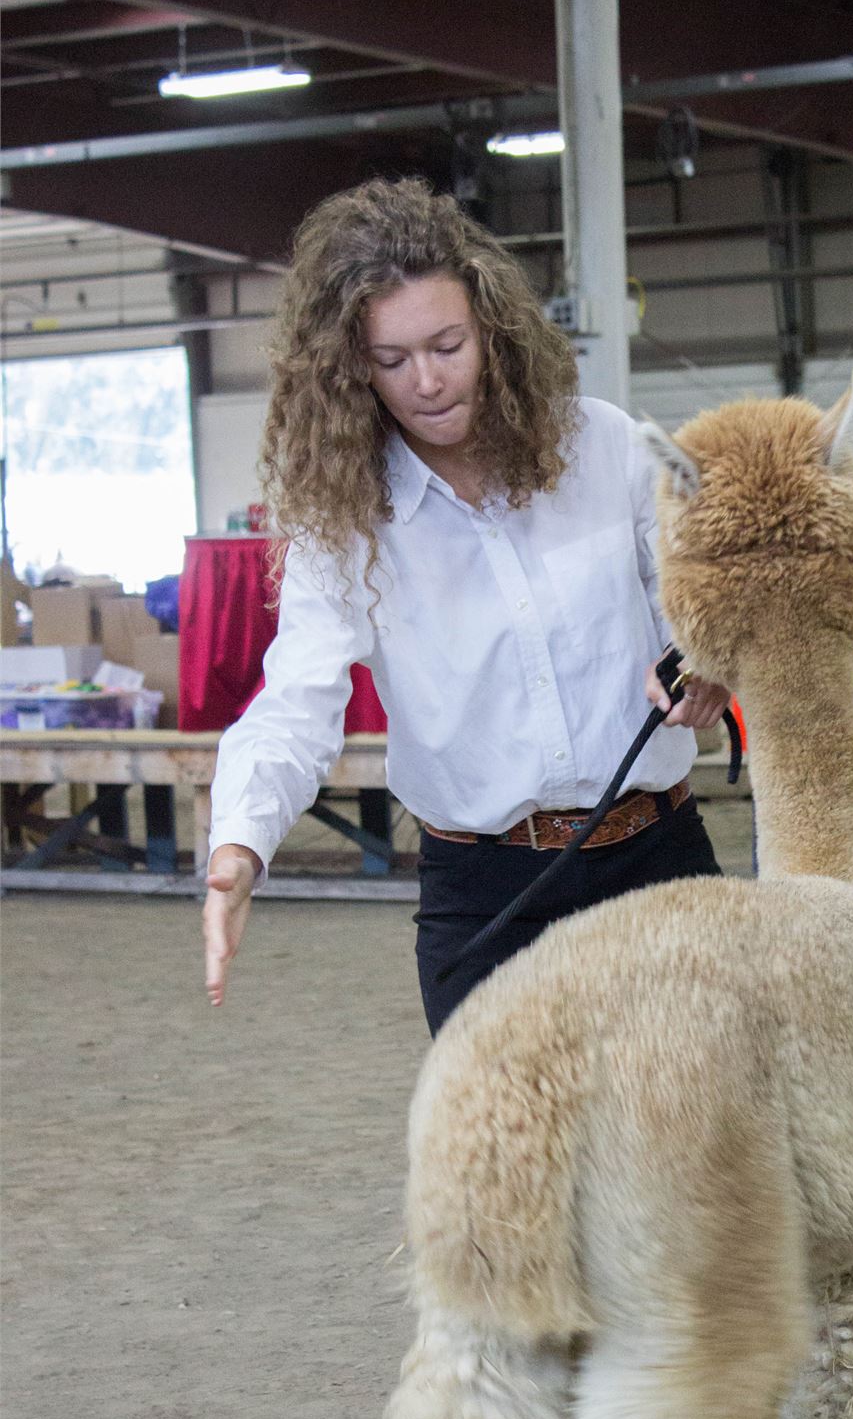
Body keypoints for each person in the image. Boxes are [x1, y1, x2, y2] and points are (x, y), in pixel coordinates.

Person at [202, 177, 731, 1034]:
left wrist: (703, 660)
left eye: (447, 344)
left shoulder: (602, 445)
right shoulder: (342, 521)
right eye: (391, 360)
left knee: (703, 1151)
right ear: (348, 368)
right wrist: (240, 845)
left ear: (491, 326)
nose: (428, 380)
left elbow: (685, 593)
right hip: (484, 895)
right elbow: (295, 706)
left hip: (655, 863)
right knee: (508, 1167)